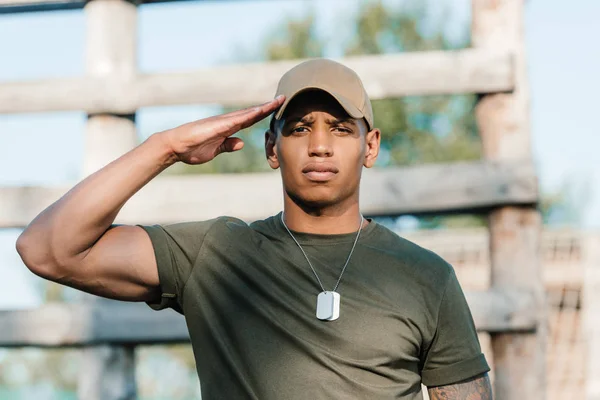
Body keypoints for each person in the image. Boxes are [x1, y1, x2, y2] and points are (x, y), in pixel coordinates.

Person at [16, 59, 492, 399]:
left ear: (370, 147)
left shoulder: (426, 277)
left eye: (340, 128)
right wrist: (166, 147)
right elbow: (47, 249)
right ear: (271, 148)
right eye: (300, 128)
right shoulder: (215, 254)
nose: (320, 145)